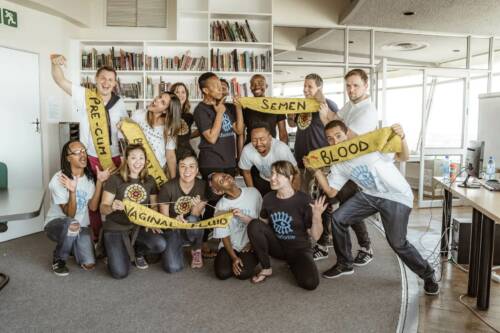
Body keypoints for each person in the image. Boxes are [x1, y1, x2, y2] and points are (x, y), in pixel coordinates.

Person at [310, 120, 439, 295]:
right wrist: (316, 170)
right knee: (338, 218)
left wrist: (403, 137)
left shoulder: (368, 145)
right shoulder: (338, 163)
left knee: (397, 242)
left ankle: (428, 274)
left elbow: (403, 157)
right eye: (330, 139)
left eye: (338, 136)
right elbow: (332, 192)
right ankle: (345, 263)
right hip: (371, 194)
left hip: (397, 196)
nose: (335, 142)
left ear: (347, 133)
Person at [50, 54, 128, 239]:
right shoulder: (85, 96)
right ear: (96, 80)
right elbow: (59, 80)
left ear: (115, 83)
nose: (106, 83)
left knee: (114, 198)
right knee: (92, 196)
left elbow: (124, 134)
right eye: (103, 78)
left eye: (110, 80)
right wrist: (54, 63)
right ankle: (94, 236)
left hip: (114, 157)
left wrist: (125, 157)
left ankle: (112, 237)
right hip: (91, 157)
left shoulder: (120, 103)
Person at [312, 69, 376, 263]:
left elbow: (346, 139)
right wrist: (320, 100)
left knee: (350, 210)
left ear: (366, 86)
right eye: (348, 85)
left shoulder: (367, 110)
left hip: (353, 169)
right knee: (324, 202)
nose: (351, 89)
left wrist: (326, 121)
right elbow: (335, 118)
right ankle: (323, 244)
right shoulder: (351, 105)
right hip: (338, 166)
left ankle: (366, 247)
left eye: (356, 85)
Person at [247, 161, 327, 290]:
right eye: (272, 173)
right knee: (254, 224)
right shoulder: (268, 198)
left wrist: (317, 217)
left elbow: (316, 236)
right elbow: (262, 225)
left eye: (278, 175)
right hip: (277, 247)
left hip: (299, 249)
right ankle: (266, 268)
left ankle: (294, 264)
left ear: (289, 177)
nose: (272, 178)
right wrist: (253, 241)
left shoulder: (304, 200)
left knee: (310, 283)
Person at [193, 72, 244, 258]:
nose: (220, 88)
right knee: (212, 204)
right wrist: (219, 113)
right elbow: (212, 137)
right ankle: (203, 242)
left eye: (221, 85)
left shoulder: (226, 106)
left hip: (228, 160)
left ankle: (227, 239)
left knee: (228, 201)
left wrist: (237, 108)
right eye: (215, 85)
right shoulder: (200, 110)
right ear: (205, 90)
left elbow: (238, 130)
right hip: (211, 161)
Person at [44, 140, 110, 276]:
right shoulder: (58, 179)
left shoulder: (89, 178)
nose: (83, 155)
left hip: (81, 226)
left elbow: (92, 207)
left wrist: (99, 182)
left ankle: (72, 245)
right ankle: (59, 258)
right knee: (72, 223)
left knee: (89, 263)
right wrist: (72, 192)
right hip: (56, 224)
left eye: (84, 151)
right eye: (77, 153)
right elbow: (70, 215)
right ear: (68, 158)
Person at [99, 144, 165, 279]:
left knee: (160, 244)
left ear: (145, 161)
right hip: (116, 228)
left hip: (138, 227)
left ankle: (137, 251)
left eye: (141, 158)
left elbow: (153, 207)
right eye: (133, 158)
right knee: (120, 273)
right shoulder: (115, 179)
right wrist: (113, 207)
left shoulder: (150, 181)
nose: (138, 162)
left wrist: (151, 221)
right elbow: (103, 208)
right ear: (125, 160)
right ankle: (109, 249)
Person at [158, 152, 207, 271]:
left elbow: (196, 216)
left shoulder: (202, 185)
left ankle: (196, 249)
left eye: (191, 166)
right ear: (178, 168)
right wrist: (175, 221)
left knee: (193, 220)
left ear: (197, 170)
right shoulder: (167, 187)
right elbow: (164, 220)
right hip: (172, 229)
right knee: (173, 267)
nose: (187, 171)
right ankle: (176, 245)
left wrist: (194, 207)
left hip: (189, 226)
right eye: (183, 166)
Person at [210, 172, 262, 280]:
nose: (226, 177)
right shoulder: (221, 206)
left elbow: (261, 221)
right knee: (222, 273)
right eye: (221, 181)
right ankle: (233, 257)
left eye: (224, 175)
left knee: (242, 273)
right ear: (219, 191)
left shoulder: (253, 193)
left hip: (250, 244)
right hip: (230, 245)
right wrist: (234, 257)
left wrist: (253, 243)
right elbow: (224, 235)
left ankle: (252, 257)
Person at [129, 92, 181, 178]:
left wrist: (173, 180)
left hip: (157, 173)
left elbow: (170, 155)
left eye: (162, 102)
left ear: (165, 110)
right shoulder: (138, 115)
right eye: (159, 97)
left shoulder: (168, 127)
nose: (157, 100)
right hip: (136, 169)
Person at [239, 122, 299, 196]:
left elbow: (296, 172)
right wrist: (253, 193)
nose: (258, 143)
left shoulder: (281, 149)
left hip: (282, 180)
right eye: (254, 140)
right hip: (263, 179)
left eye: (262, 139)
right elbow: (246, 172)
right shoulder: (247, 150)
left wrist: (295, 195)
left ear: (270, 138)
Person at [170, 82, 198, 159]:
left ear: (186, 95)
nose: (180, 95)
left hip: (187, 153)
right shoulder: (167, 114)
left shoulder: (189, 116)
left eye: (183, 92)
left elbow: (202, 129)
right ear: (172, 95)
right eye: (177, 92)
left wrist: (188, 137)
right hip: (171, 155)